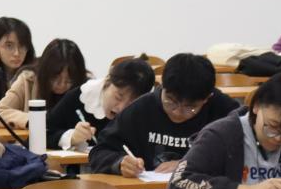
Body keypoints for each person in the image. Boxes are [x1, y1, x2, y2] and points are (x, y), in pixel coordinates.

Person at [167, 73, 281, 189]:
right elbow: (178, 184)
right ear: (257, 106)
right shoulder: (220, 135)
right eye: (273, 126)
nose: (279, 138)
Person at [88, 53, 239, 177]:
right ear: (162, 87)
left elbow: (242, 153)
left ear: (207, 99)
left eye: (190, 107)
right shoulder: (141, 110)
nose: (178, 113)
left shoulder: (224, 111)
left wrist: (188, 164)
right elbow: (99, 152)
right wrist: (120, 163)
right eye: (171, 102)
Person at [46, 57, 155, 150]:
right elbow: (45, 134)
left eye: (131, 103)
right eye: (118, 97)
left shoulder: (146, 111)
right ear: (107, 81)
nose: (121, 108)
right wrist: (72, 137)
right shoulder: (82, 96)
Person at [0, 38, 87, 129]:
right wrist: (34, 120)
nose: (62, 85)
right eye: (56, 79)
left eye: (68, 81)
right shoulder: (28, 81)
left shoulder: (86, 87)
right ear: (45, 73)